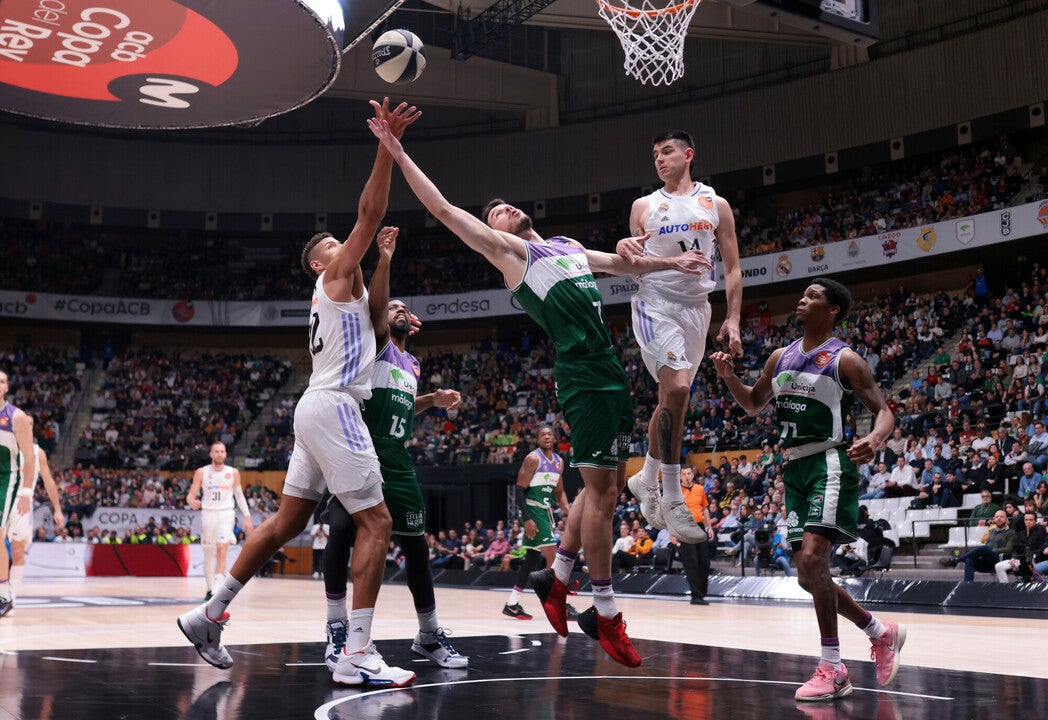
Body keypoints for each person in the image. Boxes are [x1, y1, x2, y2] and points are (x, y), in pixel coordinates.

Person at [368, 112, 711, 668]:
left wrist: (673, 260)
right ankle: (602, 610)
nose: (505, 209)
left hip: (609, 368)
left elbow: (620, 264)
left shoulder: (565, 245)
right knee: (603, 495)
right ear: (494, 231)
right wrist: (396, 151)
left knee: (601, 491)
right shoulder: (511, 255)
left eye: (506, 205)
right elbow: (443, 209)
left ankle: (555, 579)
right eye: (496, 212)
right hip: (582, 373)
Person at [177, 98, 420, 689]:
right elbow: (369, 211)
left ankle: (208, 614)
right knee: (378, 524)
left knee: (285, 524)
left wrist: (385, 257)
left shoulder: (352, 295)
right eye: (335, 245)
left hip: (317, 408)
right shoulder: (335, 276)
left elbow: (382, 320)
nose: (347, 247)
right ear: (319, 264)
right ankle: (357, 653)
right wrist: (387, 149)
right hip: (335, 406)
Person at [710, 277, 904, 701]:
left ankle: (832, 668)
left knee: (815, 557)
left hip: (830, 461)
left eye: (813, 296)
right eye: (803, 295)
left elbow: (885, 412)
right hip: (794, 469)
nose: (802, 300)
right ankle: (879, 631)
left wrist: (873, 439)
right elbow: (751, 403)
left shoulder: (845, 359)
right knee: (805, 575)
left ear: (833, 309)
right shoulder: (780, 357)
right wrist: (728, 376)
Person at [322, 274, 468, 671]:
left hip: (398, 457)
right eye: (394, 308)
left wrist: (432, 400)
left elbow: (402, 404)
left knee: (417, 548)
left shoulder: (413, 362)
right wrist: (385, 261)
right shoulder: (378, 344)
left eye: (405, 308)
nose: (400, 311)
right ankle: (337, 626)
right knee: (342, 532)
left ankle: (429, 635)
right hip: (361, 447)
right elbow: (377, 307)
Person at [618, 130, 743, 545]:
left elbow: (733, 268)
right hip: (655, 304)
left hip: (697, 310)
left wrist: (734, 318)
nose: (659, 159)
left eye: (667, 151)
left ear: (688, 155)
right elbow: (631, 262)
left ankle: (646, 476)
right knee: (680, 386)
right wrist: (629, 248)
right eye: (654, 154)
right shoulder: (645, 205)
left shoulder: (715, 204)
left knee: (675, 400)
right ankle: (672, 497)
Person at [502, 427, 571, 620]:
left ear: (555, 439)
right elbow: (518, 490)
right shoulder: (533, 459)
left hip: (545, 510)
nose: (547, 437)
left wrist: (568, 511)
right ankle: (559, 605)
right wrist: (528, 519)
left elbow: (559, 492)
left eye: (549, 434)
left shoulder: (559, 462)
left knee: (531, 559)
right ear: (538, 440)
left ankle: (512, 604)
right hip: (533, 510)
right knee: (554, 558)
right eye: (542, 434)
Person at [185, 441, 254, 601]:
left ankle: (217, 590)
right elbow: (190, 495)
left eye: (222, 451)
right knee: (209, 553)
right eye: (216, 451)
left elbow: (239, 495)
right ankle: (210, 589)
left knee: (222, 550)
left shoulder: (233, 472)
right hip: (208, 514)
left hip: (226, 514)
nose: (219, 454)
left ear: (225, 454)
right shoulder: (202, 472)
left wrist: (247, 515)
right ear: (211, 454)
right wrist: (191, 502)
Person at [7, 437, 64, 607]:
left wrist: (58, 509)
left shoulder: (38, 452)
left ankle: (11, 597)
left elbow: (49, 481)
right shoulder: (5, 445)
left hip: (22, 504)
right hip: (3, 499)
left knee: (18, 551)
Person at [0, 369, 37, 617]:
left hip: (6, 480)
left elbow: (30, 456)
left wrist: (25, 491)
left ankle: (4, 593)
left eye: (2, 380)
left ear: (7, 387)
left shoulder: (17, 417)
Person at [939, 509, 1017, 581]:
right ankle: (968, 585)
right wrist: (987, 550)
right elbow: (987, 547)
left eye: (1001, 517)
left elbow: (1008, 549)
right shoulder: (992, 531)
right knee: (969, 559)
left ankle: (957, 560)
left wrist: (991, 550)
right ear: (994, 519)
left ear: (1006, 520)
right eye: (997, 517)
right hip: (987, 562)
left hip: (1000, 560)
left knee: (984, 548)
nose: (999, 518)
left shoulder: (1011, 533)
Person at [678, 464, 714, 604]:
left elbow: (705, 509)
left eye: (689, 473)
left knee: (704, 561)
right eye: (684, 474)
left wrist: (709, 527)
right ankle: (696, 596)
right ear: (680, 476)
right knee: (691, 562)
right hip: (685, 527)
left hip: (699, 527)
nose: (687, 476)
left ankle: (702, 592)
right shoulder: (676, 491)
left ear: (693, 475)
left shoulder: (700, 489)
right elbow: (671, 512)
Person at [310, 513, 329, 580]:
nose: (321, 524)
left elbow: (328, 536)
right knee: (316, 560)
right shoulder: (315, 526)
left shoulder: (327, 527)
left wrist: (323, 531)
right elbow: (313, 536)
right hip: (316, 546)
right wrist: (318, 531)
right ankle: (316, 572)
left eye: (322, 523)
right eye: (320, 523)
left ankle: (323, 572)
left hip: (324, 546)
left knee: (324, 560)